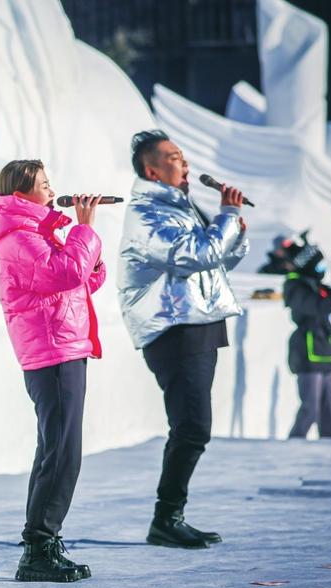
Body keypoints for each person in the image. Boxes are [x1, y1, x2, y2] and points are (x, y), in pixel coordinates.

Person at [116, 129, 249, 549]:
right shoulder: (148, 212)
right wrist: (225, 217)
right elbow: (191, 255)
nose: (185, 164)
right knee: (191, 426)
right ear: (151, 169)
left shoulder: (180, 205)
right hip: (173, 326)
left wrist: (233, 225)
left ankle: (171, 515)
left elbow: (219, 257)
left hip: (199, 319)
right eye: (175, 157)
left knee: (193, 426)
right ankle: (166, 518)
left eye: (185, 157)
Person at [0, 160, 104, 583]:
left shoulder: (36, 234)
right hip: (52, 352)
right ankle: (39, 548)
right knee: (61, 452)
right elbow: (63, 272)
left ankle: (42, 542)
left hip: (63, 345)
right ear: (20, 194)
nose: (52, 192)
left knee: (58, 449)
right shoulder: (19, 239)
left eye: (51, 184)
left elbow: (77, 280)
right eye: (44, 186)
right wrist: (84, 231)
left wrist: (84, 251)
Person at [283, 238, 331, 438]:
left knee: (329, 413)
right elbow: (321, 305)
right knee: (310, 410)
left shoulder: (314, 284)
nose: (322, 269)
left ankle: (330, 450)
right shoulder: (295, 286)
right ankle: (293, 446)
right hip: (307, 353)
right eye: (318, 264)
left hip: (324, 352)